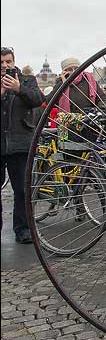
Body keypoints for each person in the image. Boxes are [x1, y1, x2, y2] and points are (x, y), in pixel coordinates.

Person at [1, 46, 44, 243]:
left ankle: (23, 229)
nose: (5, 66)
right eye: (1, 63)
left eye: (8, 62)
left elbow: (38, 100)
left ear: (14, 61)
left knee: (22, 190)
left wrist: (19, 90)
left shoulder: (27, 80)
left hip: (20, 143)